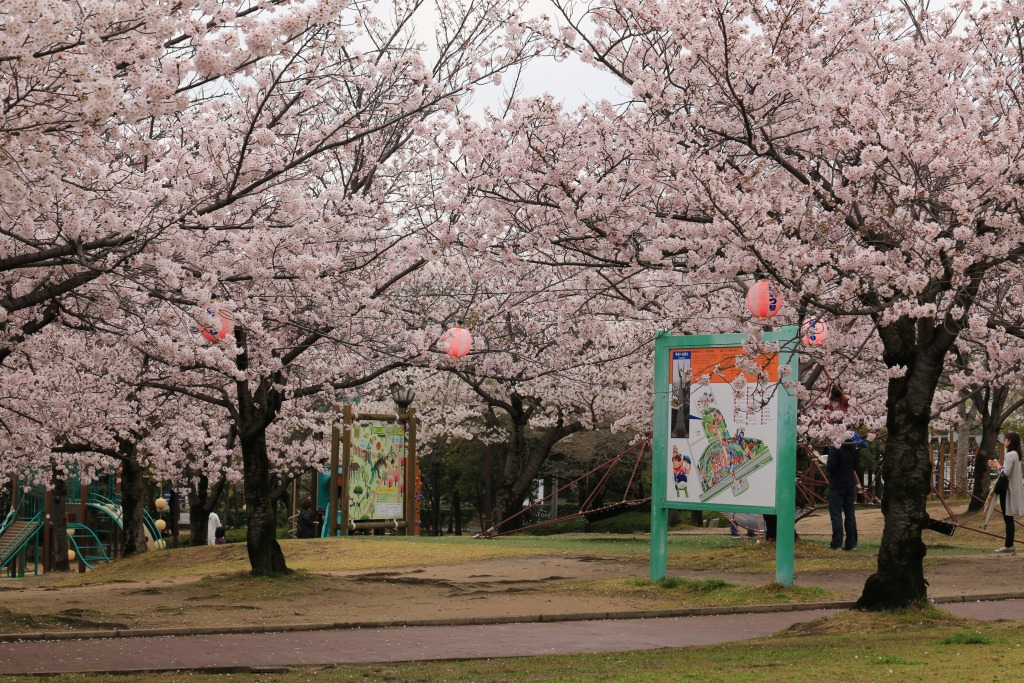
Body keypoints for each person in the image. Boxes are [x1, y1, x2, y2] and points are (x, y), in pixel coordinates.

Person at [825, 385, 858, 551]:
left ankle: (836, 542)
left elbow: (831, 465)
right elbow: (857, 462)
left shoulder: (834, 445)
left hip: (837, 483)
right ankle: (851, 543)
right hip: (850, 482)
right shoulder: (851, 443)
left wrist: (828, 471)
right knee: (850, 514)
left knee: (836, 514)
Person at [988, 432, 1024, 554]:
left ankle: (1009, 545)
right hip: (1013, 489)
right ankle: (1009, 544)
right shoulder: (1017, 454)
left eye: (1006, 439)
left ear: (1009, 441)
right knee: (1009, 517)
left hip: (1008, 491)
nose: (1004, 441)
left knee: (1008, 517)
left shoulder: (1010, 454)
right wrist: (997, 466)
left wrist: (998, 466)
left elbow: (1006, 473)